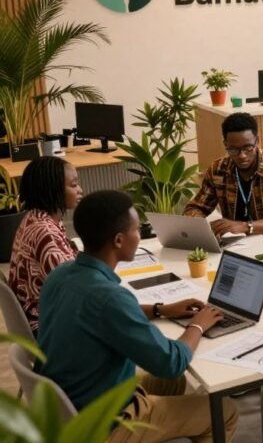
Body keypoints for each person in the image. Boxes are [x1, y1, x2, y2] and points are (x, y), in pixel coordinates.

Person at [37, 190, 237, 443]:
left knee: (174, 383)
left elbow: (101, 313)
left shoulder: (61, 274)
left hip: (71, 404)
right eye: (136, 229)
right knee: (224, 411)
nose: (140, 235)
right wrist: (198, 325)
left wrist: (160, 309)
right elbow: (171, 361)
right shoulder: (110, 297)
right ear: (119, 240)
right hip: (106, 425)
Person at [183, 111, 263, 407]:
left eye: (247, 147)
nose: (242, 155)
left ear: (257, 140)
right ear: (225, 145)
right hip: (232, 252)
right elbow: (196, 206)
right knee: (226, 306)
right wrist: (201, 226)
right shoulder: (218, 168)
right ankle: (241, 366)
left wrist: (244, 226)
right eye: (233, 149)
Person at [7, 156, 82, 332]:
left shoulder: (35, 218)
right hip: (50, 329)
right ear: (53, 190)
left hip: (43, 318)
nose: (80, 190)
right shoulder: (45, 233)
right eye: (73, 185)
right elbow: (77, 291)